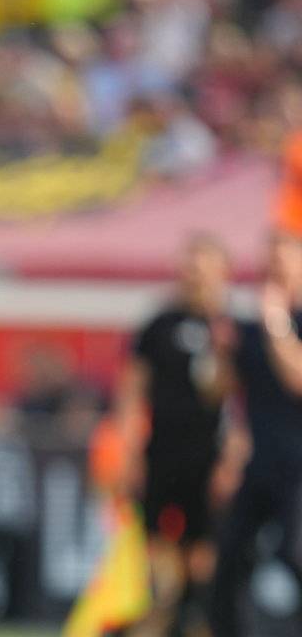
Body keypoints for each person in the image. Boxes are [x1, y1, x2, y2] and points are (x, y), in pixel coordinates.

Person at [114, 234, 233, 635]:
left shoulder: (232, 329)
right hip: (162, 450)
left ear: (221, 273)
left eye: (203, 269)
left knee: (203, 544)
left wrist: (232, 459)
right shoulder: (159, 325)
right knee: (154, 538)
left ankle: (192, 615)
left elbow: (233, 399)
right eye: (189, 267)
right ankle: (163, 612)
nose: (194, 277)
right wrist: (128, 449)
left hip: (208, 454)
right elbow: (132, 389)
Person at [208, 231, 302, 636]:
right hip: (260, 461)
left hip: (298, 466)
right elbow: (222, 393)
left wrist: (276, 323)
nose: (274, 270)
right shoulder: (249, 328)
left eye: (283, 260)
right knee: (230, 556)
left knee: (295, 555)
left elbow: (297, 380)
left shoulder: (279, 323)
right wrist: (219, 351)